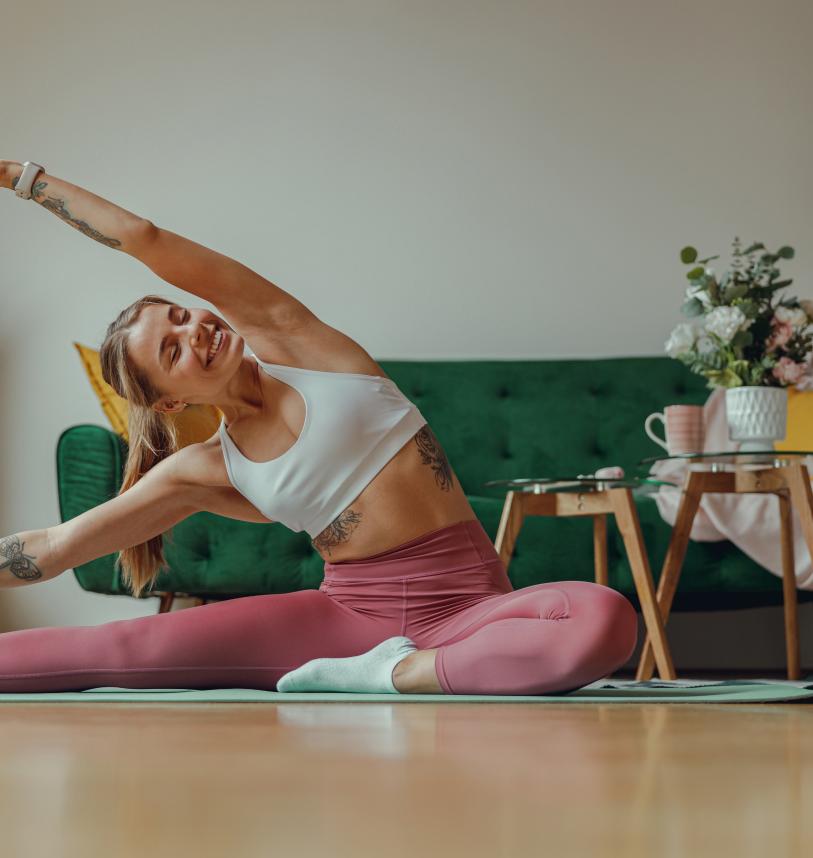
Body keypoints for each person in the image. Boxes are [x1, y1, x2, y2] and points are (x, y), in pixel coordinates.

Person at [0, 159, 638, 696]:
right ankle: (393, 669)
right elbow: (55, 549)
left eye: (178, 317)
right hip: (346, 616)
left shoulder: (299, 343)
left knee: (600, 618)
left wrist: (21, 178)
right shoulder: (205, 470)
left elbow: (145, 237)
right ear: (169, 403)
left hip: (472, 607)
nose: (193, 331)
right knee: (126, 649)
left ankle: (391, 675)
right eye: (172, 353)